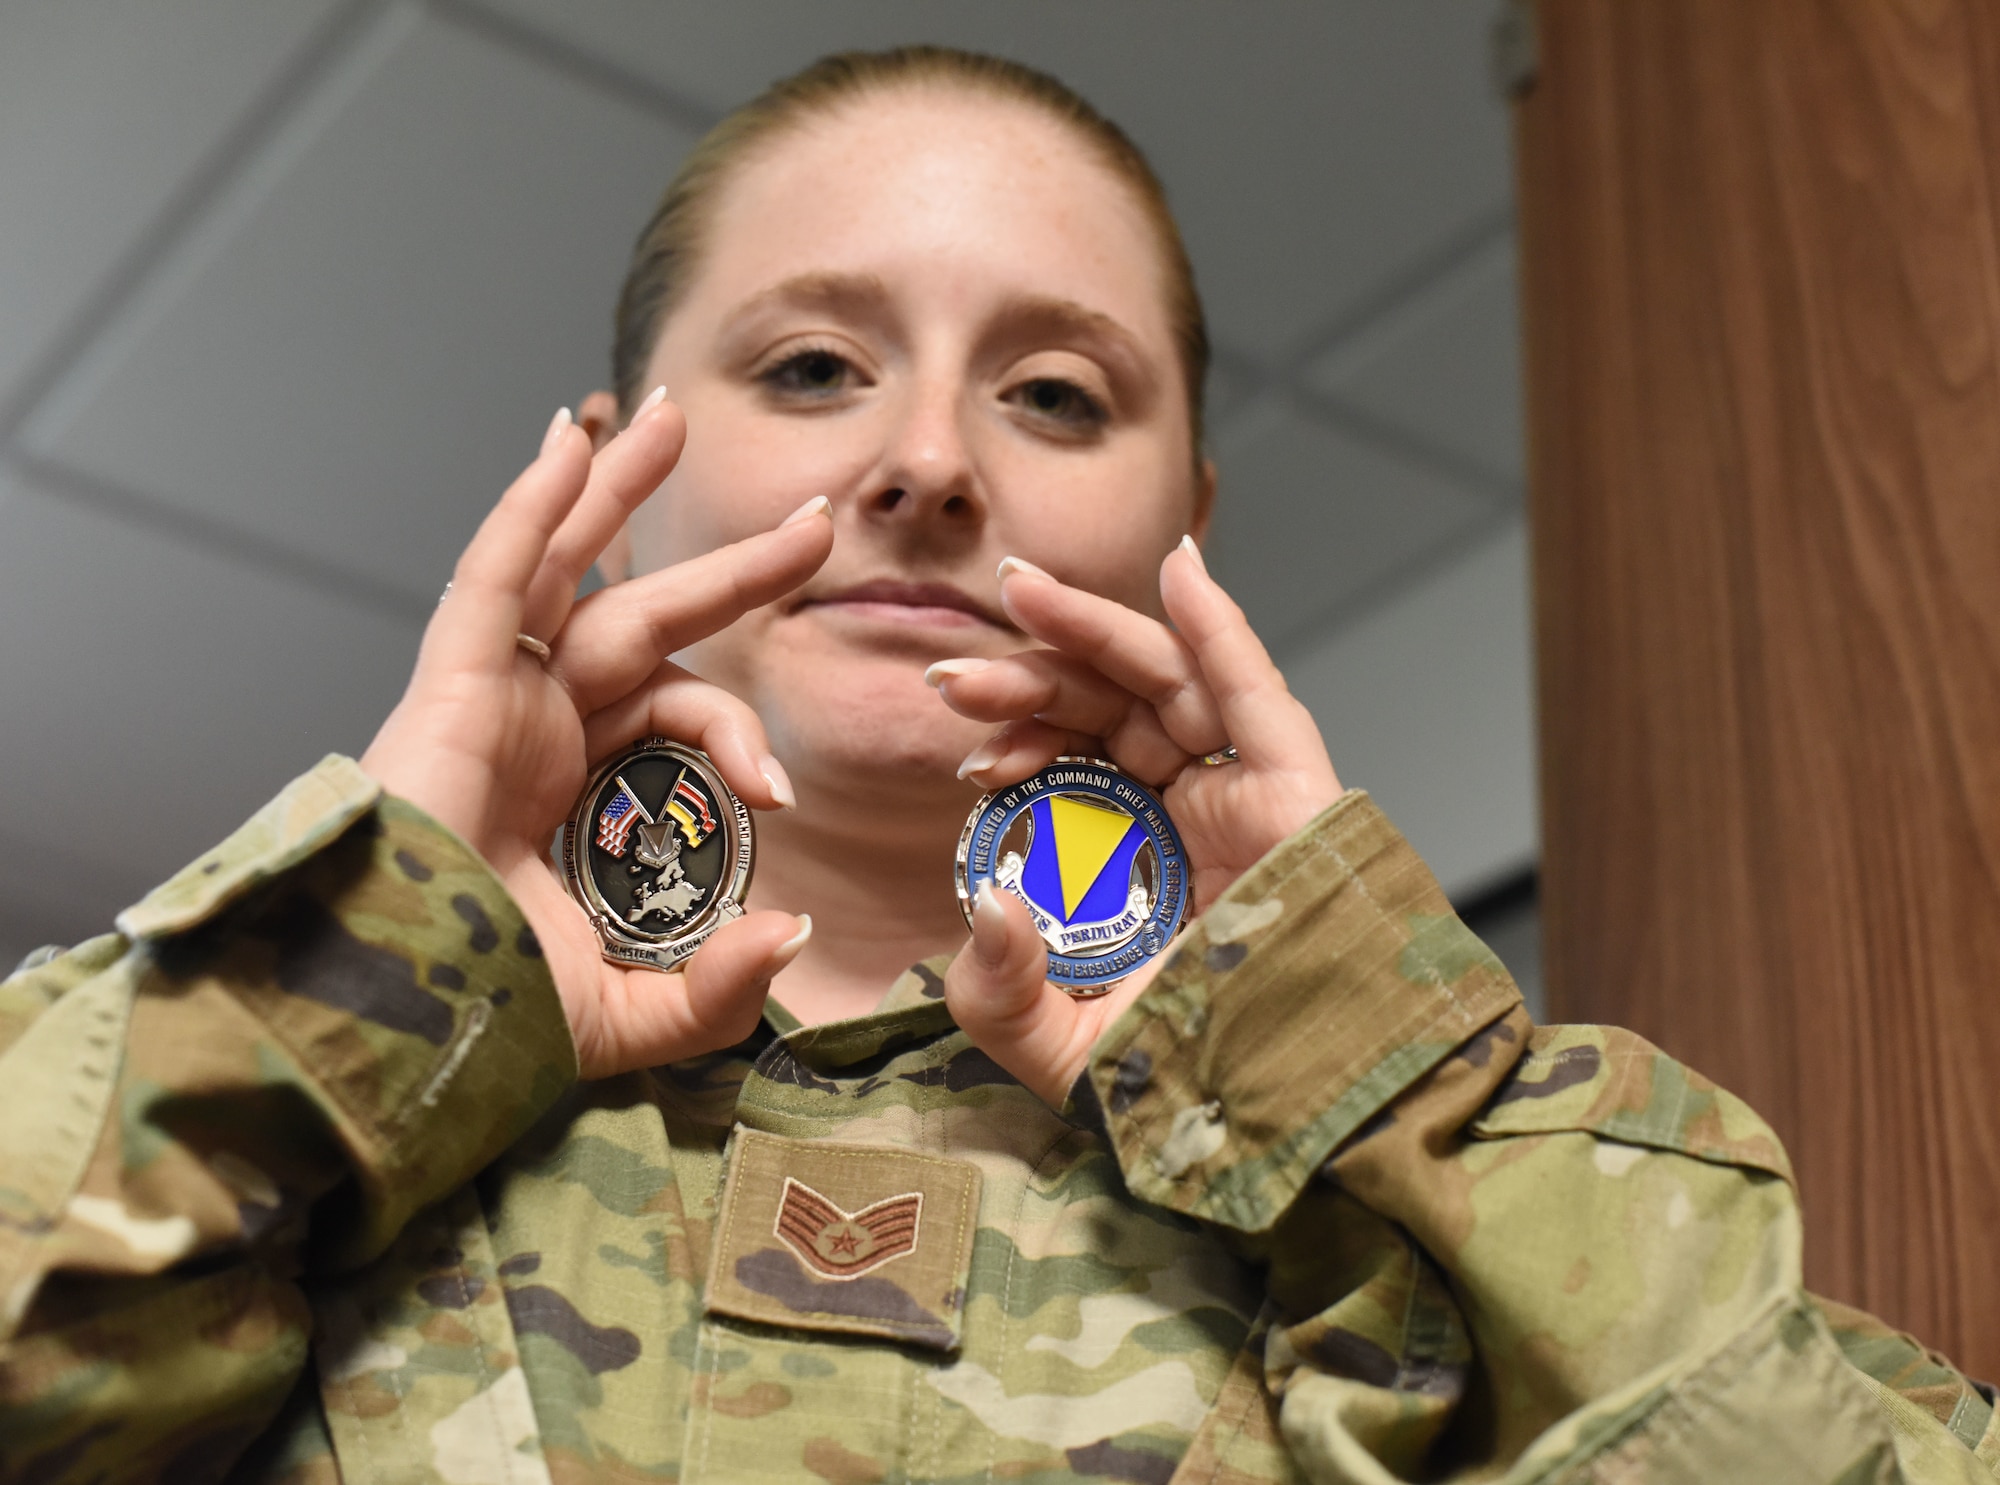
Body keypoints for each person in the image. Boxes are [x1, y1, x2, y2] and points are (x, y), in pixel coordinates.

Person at [0, 44, 1992, 1485]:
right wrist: (364, 947)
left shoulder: (1394, 1193)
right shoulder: (270, 1122)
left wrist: (1362, 1059)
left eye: (1052, 390)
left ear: (1182, 520)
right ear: (612, 489)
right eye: (808, 366)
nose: (930, 462)